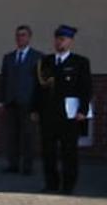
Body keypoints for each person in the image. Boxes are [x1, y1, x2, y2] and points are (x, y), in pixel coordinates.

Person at [36, 25, 93, 194]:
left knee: (69, 152)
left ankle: (68, 185)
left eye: (63, 39)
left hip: (70, 115)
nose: (59, 42)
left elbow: (86, 88)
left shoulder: (79, 62)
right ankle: (51, 183)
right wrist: (35, 109)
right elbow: (38, 87)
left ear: (70, 42)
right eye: (57, 39)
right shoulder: (46, 62)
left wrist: (83, 110)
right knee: (48, 152)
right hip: (48, 113)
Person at [0, 25, 42, 174]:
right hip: (11, 101)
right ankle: (13, 164)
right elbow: (4, 80)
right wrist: (1, 100)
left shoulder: (37, 57)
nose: (20, 38)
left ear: (29, 37)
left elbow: (40, 83)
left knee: (29, 136)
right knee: (12, 135)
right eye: (18, 35)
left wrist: (38, 105)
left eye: (23, 35)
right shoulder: (9, 57)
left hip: (28, 102)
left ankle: (27, 166)